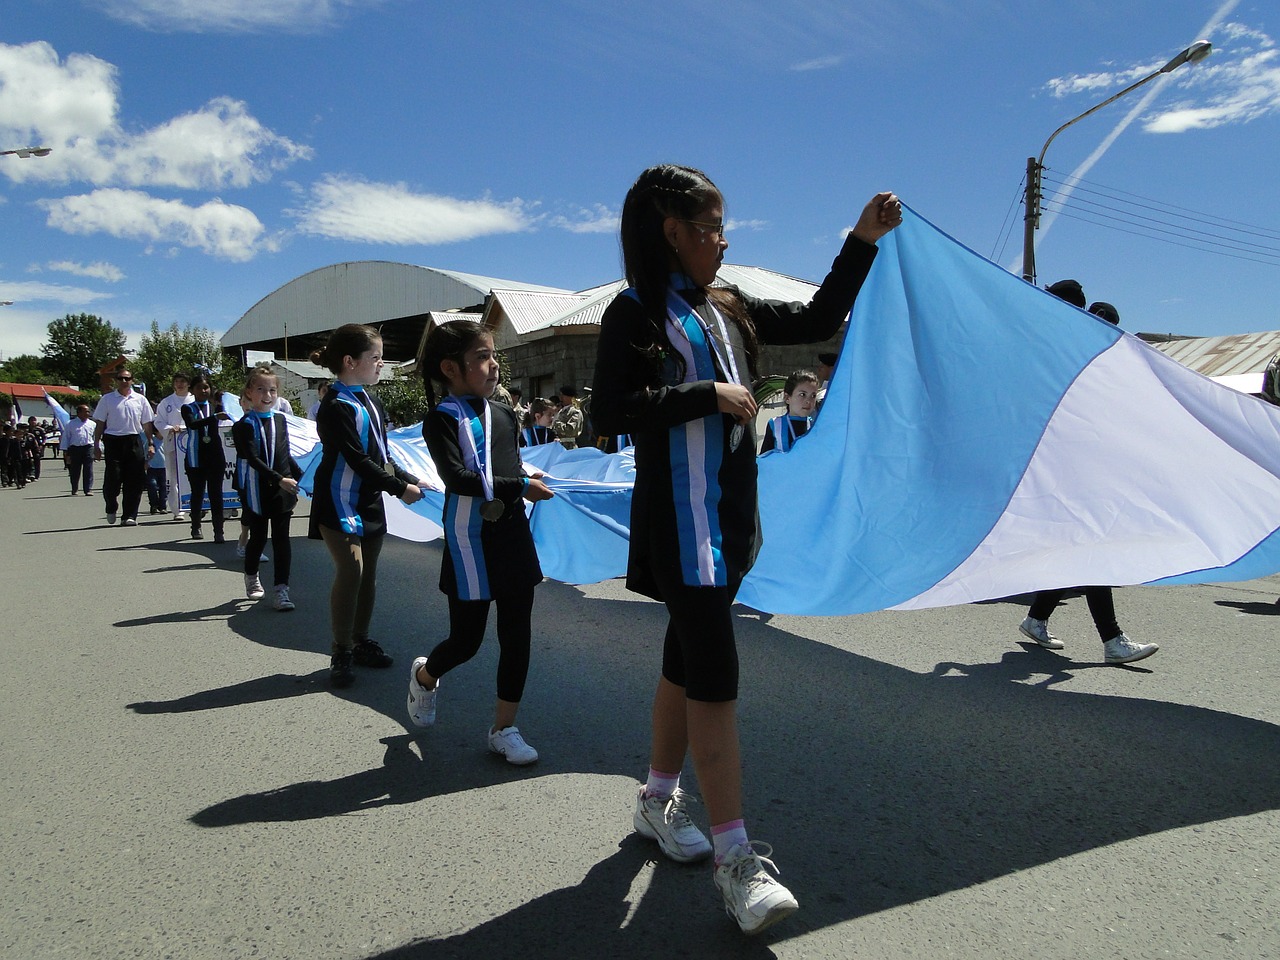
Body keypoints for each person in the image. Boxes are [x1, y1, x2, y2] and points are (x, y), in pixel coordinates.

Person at [591, 163, 901, 935]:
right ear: (673, 233)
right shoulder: (633, 312)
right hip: (681, 523)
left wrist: (861, 240)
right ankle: (736, 860)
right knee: (717, 677)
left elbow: (822, 313)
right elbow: (609, 410)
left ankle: (657, 799)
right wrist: (707, 394)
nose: (724, 243)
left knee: (683, 660)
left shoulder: (728, 306)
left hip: (729, 521)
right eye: (714, 228)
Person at [406, 321, 554, 764]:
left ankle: (504, 729)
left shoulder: (505, 414)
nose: (493, 367)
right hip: (469, 538)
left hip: (510, 534)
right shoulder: (440, 419)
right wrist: (519, 486)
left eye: (494, 357)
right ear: (451, 367)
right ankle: (425, 676)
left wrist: (527, 475)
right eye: (483, 358)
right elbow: (458, 479)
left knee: (517, 635)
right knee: (466, 641)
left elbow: (507, 464)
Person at [1017, 287, 1158, 666]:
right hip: (1061, 472)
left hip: (1080, 472)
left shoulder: (1094, 367)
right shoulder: (1060, 358)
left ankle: (1036, 619)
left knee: (1077, 550)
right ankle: (1112, 641)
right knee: (1091, 552)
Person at [308, 324, 424, 688]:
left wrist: (409, 476)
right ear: (349, 361)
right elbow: (357, 459)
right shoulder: (335, 404)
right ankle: (340, 649)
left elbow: (382, 453)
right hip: (338, 501)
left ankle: (360, 640)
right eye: (375, 357)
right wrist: (398, 488)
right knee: (352, 570)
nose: (381, 364)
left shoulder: (371, 400)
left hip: (369, 501)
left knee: (368, 574)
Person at [233, 368, 303, 612]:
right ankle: (251, 575)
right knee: (259, 537)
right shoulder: (244, 425)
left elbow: (285, 454)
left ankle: (281, 589)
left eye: (272, 390)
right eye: (261, 389)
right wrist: (279, 479)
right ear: (249, 393)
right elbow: (253, 459)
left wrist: (301, 477)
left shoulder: (281, 420)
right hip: (256, 488)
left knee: (282, 539)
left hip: (281, 488)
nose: (267, 394)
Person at [93, 369, 156, 526]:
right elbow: (100, 423)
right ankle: (111, 505)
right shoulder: (107, 399)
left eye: (127, 378)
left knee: (134, 480)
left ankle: (129, 515)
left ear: (132, 380)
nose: (124, 381)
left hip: (134, 440)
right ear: (116, 380)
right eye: (120, 378)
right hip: (113, 441)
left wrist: (151, 443)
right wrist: (96, 444)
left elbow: (147, 424)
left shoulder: (140, 400)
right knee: (113, 478)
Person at [181, 374, 232, 542]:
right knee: (197, 493)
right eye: (199, 388)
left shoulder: (215, 407)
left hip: (215, 455)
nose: (203, 391)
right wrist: (215, 418)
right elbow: (193, 424)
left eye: (206, 387)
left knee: (216, 494)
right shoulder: (188, 408)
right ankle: (195, 526)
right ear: (192, 390)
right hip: (196, 456)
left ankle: (219, 530)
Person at [154, 373, 193, 523]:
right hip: (172, 443)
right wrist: (171, 428)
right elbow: (159, 422)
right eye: (177, 381)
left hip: (191, 443)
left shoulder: (194, 400)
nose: (180, 384)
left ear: (188, 383)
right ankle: (178, 510)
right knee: (173, 477)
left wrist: (184, 428)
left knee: (192, 476)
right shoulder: (166, 402)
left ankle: (195, 505)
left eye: (183, 381)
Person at [759, 370, 820, 454]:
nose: (808, 401)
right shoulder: (775, 424)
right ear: (787, 398)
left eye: (813, 396)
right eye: (802, 395)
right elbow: (764, 460)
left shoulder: (816, 426)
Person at [60, 404, 96, 496]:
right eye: (85, 411)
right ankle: (74, 488)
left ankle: (88, 489)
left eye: (88, 411)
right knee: (75, 470)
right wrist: (65, 450)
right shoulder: (70, 424)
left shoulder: (92, 424)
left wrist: (98, 449)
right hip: (75, 449)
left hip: (88, 447)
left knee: (88, 469)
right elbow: (66, 437)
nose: (88, 413)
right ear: (79, 413)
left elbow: (95, 437)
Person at [551, 385, 584, 449]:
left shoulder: (575, 412)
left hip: (569, 447)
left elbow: (571, 431)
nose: (560, 398)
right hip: (557, 446)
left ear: (570, 397)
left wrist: (555, 422)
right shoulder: (561, 411)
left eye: (563, 395)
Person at [145, 437, 168, 514]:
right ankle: (153, 504)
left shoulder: (166, 440)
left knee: (163, 487)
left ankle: (163, 506)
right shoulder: (151, 441)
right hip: (152, 467)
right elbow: (145, 452)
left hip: (164, 468)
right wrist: (146, 462)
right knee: (152, 485)